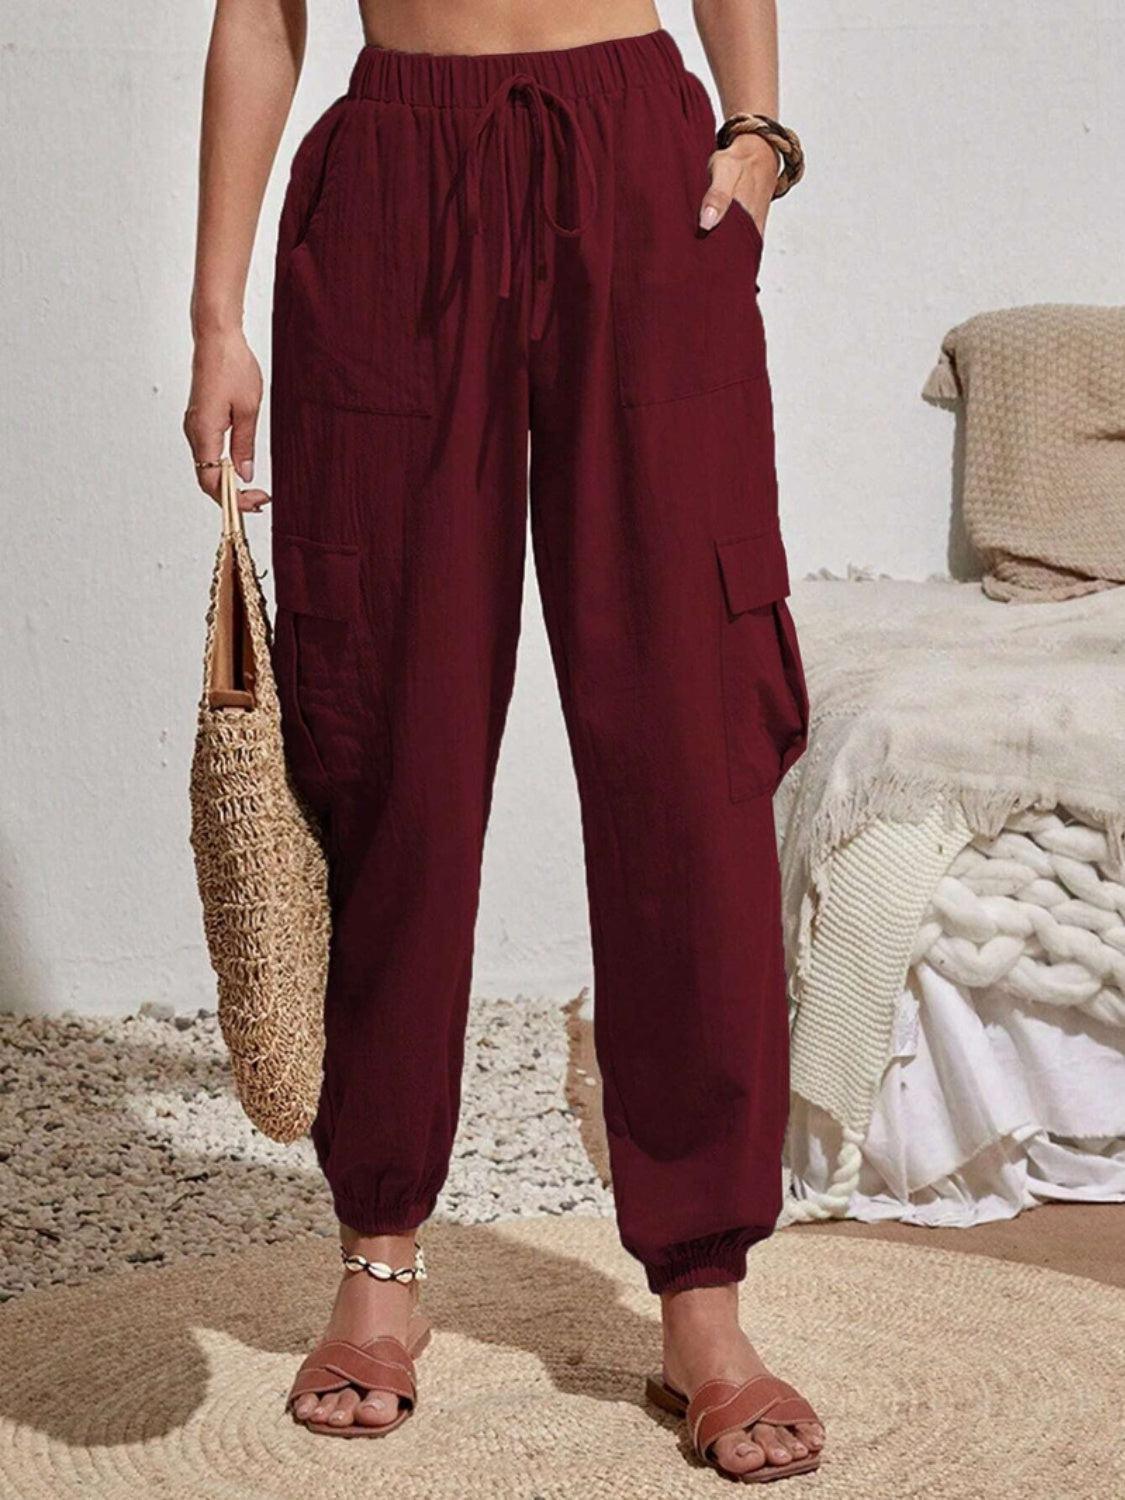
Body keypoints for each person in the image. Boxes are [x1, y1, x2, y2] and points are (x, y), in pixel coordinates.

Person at [184, 0, 822, 1480]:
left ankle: (703, 1298)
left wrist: (755, 133)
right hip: (395, 179)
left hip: (636, 167)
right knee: (388, 732)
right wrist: (216, 317)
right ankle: (379, 1258)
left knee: (689, 741)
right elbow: (258, 13)